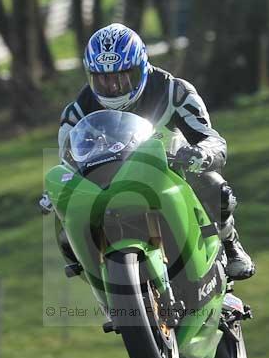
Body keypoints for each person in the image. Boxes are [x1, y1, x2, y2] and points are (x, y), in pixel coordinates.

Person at [55, 23, 255, 281]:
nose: (113, 87)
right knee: (66, 234)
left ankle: (230, 243)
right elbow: (65, 162)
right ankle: (107, 290)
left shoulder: (175, 91)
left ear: (142, 68)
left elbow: (212, 138)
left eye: (122, 77)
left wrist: (202, 153)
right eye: (103, 79)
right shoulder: (77, 111)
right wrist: (58, 191)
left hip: (171, 171)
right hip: (107, 185)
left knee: (216, 189)